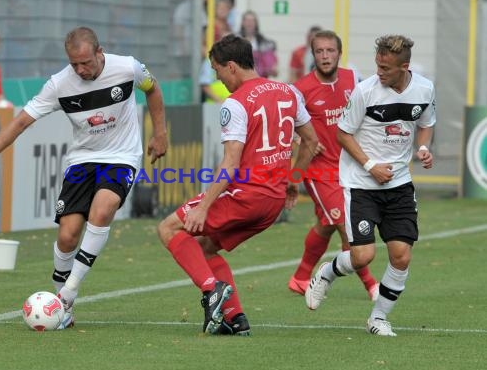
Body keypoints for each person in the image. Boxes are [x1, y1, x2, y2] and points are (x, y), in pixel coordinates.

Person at [0, 26, 168, 329]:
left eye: (86, 62)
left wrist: (160, 132)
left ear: (100, 52)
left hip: (121, 157)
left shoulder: (128, 67)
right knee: (67, 234)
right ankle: (62, 305)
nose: (81, 69)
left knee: (102, 209)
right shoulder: (59, 84)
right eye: (74, 64)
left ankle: (67, 295)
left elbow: (152, 88)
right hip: (82, 161)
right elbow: (21, 122)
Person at [158, 34, 318, 335]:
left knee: (168, 228)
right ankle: (236, 319)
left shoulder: (236, 103)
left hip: (246, 196)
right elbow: (312, 141)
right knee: (204, 248)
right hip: (271, 206)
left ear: (231, 66)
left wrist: (203, 208)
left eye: (217, 70)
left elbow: (231, 163)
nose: (218, 77)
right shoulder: (289, 92)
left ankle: (211, 290)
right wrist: (294, 181)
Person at [305, 34, 436, 337]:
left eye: (386, 69)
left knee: (401, 255)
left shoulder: (425, 89)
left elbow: (426, 123)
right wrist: (369, 166)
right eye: (378, 66)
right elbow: (343, 134)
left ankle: (378, 318)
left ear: (405, 66)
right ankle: (327, 273)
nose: (380, 73)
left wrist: (424, 148)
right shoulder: (365, 92)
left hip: (400, 183)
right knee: (363, 256)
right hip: (361, 183)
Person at [287, 30, 379, 300]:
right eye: (319, 51)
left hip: (350, 168)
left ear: (339, 53)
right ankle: (372, 286)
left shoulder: (353, 79)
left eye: (330, 50)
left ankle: (301, 277)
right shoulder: (300, 90)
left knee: (326, 224)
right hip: (318, 172)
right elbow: (288, 128)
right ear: (312, 55)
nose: (325, 56)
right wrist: (300, 142)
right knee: (345, 224)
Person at [239, 10, 278, 78]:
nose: (249, 23)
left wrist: (272, 70)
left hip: (260, 82)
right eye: (247, 20)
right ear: (242, 23)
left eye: (252, 21)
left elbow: (274, 71)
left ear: (256, 23)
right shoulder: (235, 43)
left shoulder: (265, 44)